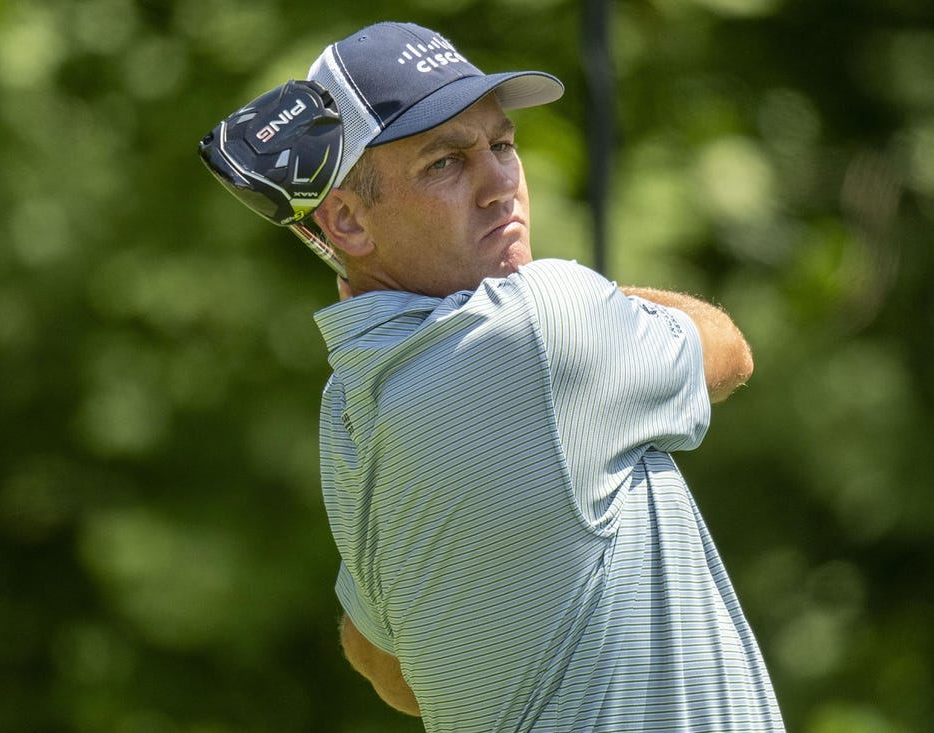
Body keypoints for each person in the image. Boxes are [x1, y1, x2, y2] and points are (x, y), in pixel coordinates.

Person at [277, 21, 784, 731]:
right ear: (348, 223)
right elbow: (728, 351)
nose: (501, 184)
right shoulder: (547, 324)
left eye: (502, 144)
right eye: (445, 163)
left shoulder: (350, 406)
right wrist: (595, 306)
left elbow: (382, 660)